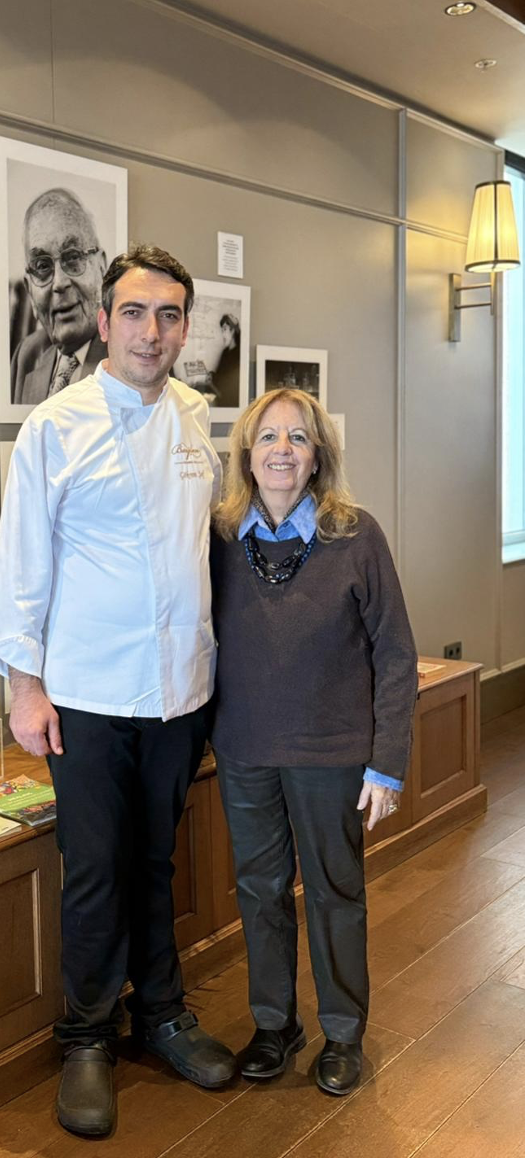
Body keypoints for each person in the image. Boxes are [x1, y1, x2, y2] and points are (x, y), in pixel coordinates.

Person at [0, 244, 236, 1138]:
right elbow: (23, 566)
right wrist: (24, 687)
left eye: (169, 315)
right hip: (86, 694)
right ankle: (87, 1035)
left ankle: (161, 1013)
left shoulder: (197, 419)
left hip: (179, 691)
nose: (151, 331)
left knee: (157, 861)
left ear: (184, 328)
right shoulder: (54, 426)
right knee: (94, 869)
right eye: (134, 312)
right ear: (103, 322)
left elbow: (204, 552)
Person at [209, 389, 417, 1096]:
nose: (282, 450)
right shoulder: (219, 537)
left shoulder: (355, 535)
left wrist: (387, 764)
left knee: (334, 891)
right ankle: (274, 1024)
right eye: (268, 437)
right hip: (244, 749)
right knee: (260, 891)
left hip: (332, 753)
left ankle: (343, 1032)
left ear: (319, 454)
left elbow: (396, 653)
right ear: (247, 453)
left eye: (298, 437)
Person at [10, 188, 108, 405]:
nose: (59, 283)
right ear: (29, 290)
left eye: (73, 257)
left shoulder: (132, 356)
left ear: (102, 269)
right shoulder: (27, 355)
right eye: (42, 266)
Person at [212, 313, 240, 408]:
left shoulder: (238, 354)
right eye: (222, 330)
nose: (222, 334)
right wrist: (212, 375)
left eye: (225, 329)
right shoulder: (225, 352)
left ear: (232, 331)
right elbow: (221, 376)